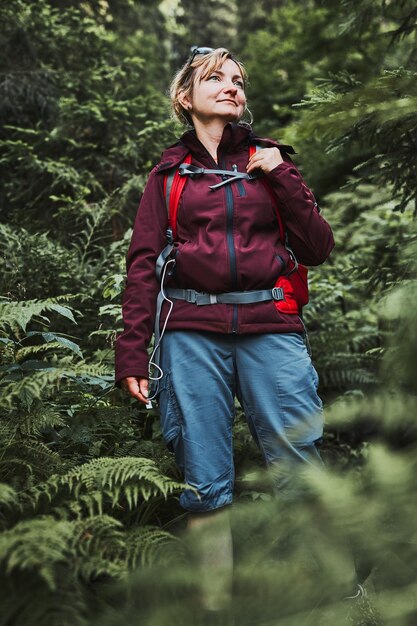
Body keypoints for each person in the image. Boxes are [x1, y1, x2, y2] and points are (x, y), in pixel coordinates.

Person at [115, 47, 334, 614]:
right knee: (204, 474)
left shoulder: (271, 160)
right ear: (186, 97)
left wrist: (279, 174)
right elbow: (143, 266)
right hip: (190, 331)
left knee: (299, 458)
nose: (232, 86)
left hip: (270, 324)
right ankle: (215, 607)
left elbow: (318, 246)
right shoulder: (168, 176)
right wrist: (132, 355)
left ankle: (318, 596)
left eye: (238, 79)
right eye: (216, 78)